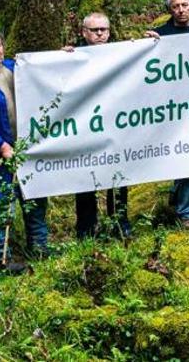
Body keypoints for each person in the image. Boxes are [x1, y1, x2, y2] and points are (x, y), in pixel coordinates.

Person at [145, 0, 189, 228]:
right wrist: (144, 44)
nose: (181, 10)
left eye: (185, 5)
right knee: (185, 155)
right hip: (172, 109)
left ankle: (184, 206)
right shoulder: (160, 36)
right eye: (176, 6)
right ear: (170, 9)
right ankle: (185, 209)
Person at [0, 27, 48, 274]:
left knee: (35, 200)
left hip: (27, 150)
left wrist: (66, 57)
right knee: (2, 207)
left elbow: (46, 70)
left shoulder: (16, 67)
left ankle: (40, 248)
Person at [64, 13, 132, 239]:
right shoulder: (72, 57)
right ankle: (86, 229)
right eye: (95, 30)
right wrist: (59, 59)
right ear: (84, 32)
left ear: (110, 32)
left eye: (104, 29)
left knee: (118, 176)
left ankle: (120, 223)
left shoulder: (121, 54)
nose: (100, 34)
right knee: (85, 178)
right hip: (85, 127)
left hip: (115, 125)